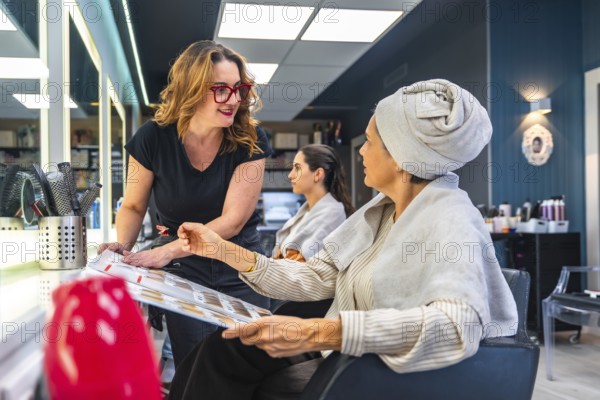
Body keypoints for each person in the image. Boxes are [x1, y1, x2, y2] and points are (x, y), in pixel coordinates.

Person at [170, 79, 519, 399]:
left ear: (401, 157)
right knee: (223, 349)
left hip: (384, 369)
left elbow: (456, 326)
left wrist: (317, 332)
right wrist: (222, 250)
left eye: (369, 142)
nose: (361, 152)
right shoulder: (382, 212)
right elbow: (317, 276)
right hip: (352, 351)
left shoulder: (452, 217)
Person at [98, 40, 271, 367]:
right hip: (185, 272)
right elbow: (134, 206)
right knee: (197, 369)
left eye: (239, 88)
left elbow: (232, 220)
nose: (233, 99)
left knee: (250, 368)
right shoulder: (153, 138)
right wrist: (124, 250)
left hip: (239, 264)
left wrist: (163, 252)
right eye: (221, 89)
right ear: (191, 89)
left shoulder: (249, 139)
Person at [273, 144, 354, 262]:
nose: (290, 175)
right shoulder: (305, 212)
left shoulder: (333, 212)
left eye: (297, 168)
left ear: (318, 174)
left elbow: (299, 264)